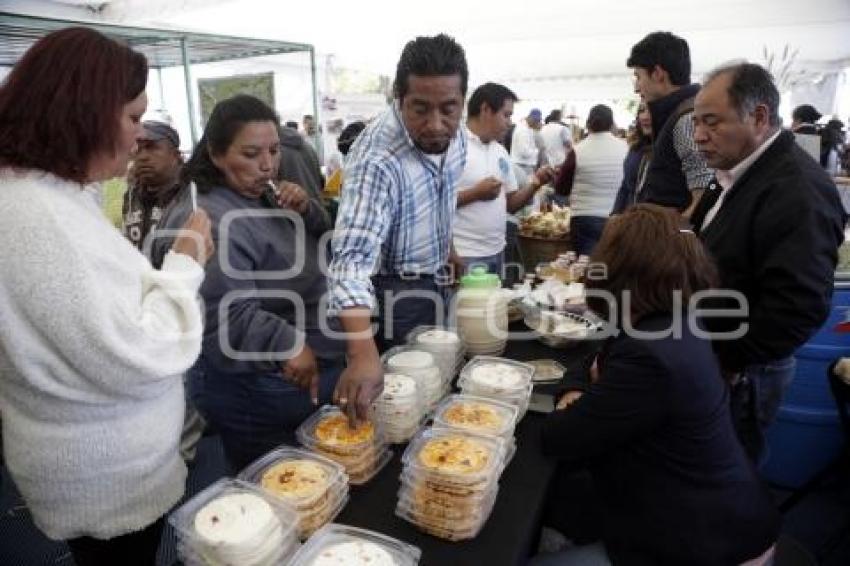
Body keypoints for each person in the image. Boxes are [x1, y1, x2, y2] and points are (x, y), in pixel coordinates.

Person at [0, 27, 213, 565]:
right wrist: (185, 264)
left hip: (96, 468)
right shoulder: (35, 216)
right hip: (104, 481)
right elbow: (138, 351)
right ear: (83, 114)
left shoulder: (48, 198)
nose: (138, 139)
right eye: (133, 118)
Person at [534, 204, 780, 566]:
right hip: (721, 512)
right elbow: (595, 359)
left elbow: (558, 437)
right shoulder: (675, 319)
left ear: (618, 268)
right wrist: (581, 388)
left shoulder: (650, 354)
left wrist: (573, 397)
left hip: (707, 543)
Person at [151, 94, 345, 472]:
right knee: (276, 480)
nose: (267, 165)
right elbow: (223, 312)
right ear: (216, 153)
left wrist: (307, 210)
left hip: (299, 362)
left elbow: (322, 242)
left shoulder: (260, 193)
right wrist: (288, 343)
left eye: (274, 151)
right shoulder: (208, 217)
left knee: (308, 475)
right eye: (252, 153)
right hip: (258, 381)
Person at [691, 63, 846, 461]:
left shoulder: (797, 189)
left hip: (744, 372)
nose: (699, 136)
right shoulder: (733, 171)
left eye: (711, 122)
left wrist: (731, 359)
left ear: (759, 116)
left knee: (729, 474)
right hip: (712, 353)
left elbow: (799, 306)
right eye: (696, 123)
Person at [328, 34, 468, 421]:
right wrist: (361, 351)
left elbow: (442, 194)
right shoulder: (377, 157)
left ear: (462, 102)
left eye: (448, 109)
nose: (436, 125)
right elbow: (351, 260)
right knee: (398, 409)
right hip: (392, 295)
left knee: (437, 388)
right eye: (420, 109)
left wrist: (449, 249)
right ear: (399, 98)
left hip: (437, 278)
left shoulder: (457, 138)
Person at [453, 82, 553, 277]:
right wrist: (475, 193)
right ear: (485, 110)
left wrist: (535, 183)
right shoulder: (453, 147)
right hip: (464, 254)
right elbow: (434, 204)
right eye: (506, 115)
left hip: (497, 251)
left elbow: (511, 204)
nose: (509, 122)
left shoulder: (500, 151)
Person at [627, 31, 712, 217]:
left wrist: (675, 238)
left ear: (658, 74)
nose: (636, 87)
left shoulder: (686, 120)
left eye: (638, 76)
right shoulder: (679, 113)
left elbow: (705, 194)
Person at [553, 104, 627, 255]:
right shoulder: (625, 148)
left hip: (584, 219)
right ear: (612, 124)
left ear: (588, 124)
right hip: (617, 218)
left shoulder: (578, 150)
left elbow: (561, 189)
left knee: (586, 268)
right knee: (613, 266)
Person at [122, 119, 183, 251]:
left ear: (176, 156)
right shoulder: (132, 195)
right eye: (138, 149)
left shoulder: (190, 196)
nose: (142, 156)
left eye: (152, 147)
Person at [611, 101, 653, 214]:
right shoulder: (636, 148)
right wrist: (614, 215)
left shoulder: (667, 149)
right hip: (629, 218)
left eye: (650, 111)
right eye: (642, 111)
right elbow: (625, 186)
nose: (644, 117)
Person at [510, 108, 543, 184]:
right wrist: (537, 151)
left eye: (538, 121)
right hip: (522, 166)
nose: (537, 123)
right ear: (530, 118)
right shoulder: (523, 131)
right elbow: (524, 152)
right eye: (536, 121)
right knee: (525, 190)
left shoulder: (528, 129)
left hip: (525, 166)